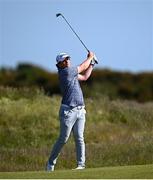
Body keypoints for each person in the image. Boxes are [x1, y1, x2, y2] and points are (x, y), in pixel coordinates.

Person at [46, 51, 97, 171]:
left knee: (79, 137)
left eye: (68, 58)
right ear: (60, 64)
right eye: (65, 60)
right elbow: (82, 67)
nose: (67, 60)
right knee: (63, 139)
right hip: (68, 111)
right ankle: (50, 163)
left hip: (80, 109)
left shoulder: (71, 72)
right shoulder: (66, 72)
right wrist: (90, 57)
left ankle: (81, 165)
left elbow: (84, 77)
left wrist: (92, 64)